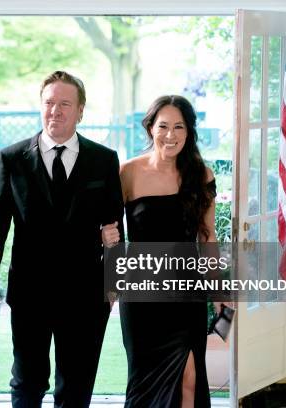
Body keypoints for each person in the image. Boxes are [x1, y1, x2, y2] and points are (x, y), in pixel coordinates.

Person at [0, 70, 124, 408]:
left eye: (64, 104)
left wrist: (114, 284)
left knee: (76, 387)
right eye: (49, 103)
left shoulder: (104, 160)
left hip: (86, 295)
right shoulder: (11, 160)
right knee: (27, 382)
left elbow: (115, 228)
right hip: (30, 293)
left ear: (81, 110)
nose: (55, 111)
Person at [102, 95, 217, 408]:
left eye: (179, 126)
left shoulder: (201, 175)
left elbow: (207, 236)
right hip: (142, 299)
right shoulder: (127, 173)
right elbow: (113, 237)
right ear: (150, 128)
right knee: (145, 384)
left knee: (190, 378)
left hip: (186, 293)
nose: (171, 134)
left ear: (189, 131)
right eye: (163, 125)